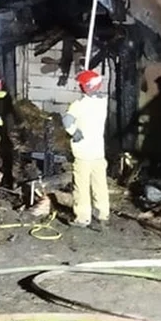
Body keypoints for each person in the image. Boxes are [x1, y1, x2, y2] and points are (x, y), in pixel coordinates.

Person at [63, 70, 109, 231]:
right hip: (98, 152)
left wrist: (74, 132)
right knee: (100, 184)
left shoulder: (79, 105)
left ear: (84, 87)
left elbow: (67, 121)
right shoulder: (103, 102)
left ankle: (83, 217)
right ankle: (102, 213)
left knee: (81, 186)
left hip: (83, 153)